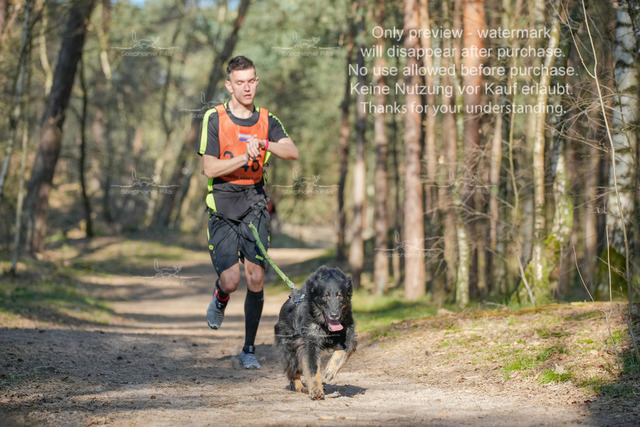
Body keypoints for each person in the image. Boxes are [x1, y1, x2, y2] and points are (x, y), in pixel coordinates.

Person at [197, 56, 299, 369]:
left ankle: (249, 349)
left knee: (256, 276)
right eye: (239, 82)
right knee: (231, 280)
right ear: (229, 85)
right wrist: (244, 155)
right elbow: (209, 168)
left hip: (255, 203)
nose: (246, 87)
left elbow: (292, 151)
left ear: (257, 82)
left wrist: (265, 144)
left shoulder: (267, 119)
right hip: (223, 206)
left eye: (251, 81)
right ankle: (220, 296)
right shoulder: (214, 118)